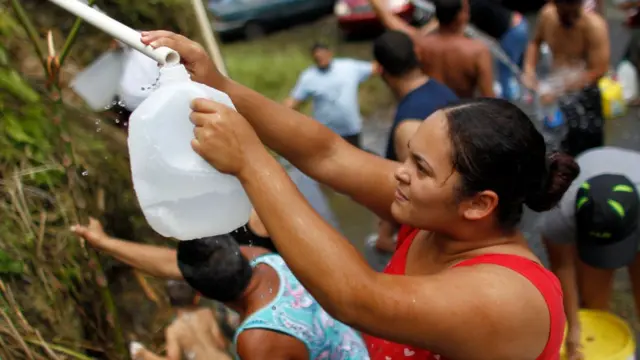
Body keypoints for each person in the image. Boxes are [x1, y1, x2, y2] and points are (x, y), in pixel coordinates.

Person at [140, 31, 581, 359]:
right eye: (407, 158)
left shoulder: (509, 296)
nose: (399, 175)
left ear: (480, 204)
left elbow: (355, 297)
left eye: (420, 168)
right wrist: (223, 87)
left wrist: (252, 162)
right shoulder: (438, 215)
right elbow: (328, 153)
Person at [71, 218, 368, 359]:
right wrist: (105, 243)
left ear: (204, 296)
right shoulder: (264, 259)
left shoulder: (257, 340)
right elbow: (167, 264)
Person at [538, 147, 640, 360]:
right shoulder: (560, 213)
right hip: (588, 179)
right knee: (593, 298)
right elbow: (562, 267)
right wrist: (574, 327)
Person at [370, 30, 458, 255]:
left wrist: (386, 234)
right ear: (416, 54)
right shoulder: (441, 89)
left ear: (380, 70)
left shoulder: (408, 126)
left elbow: (418, 196)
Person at [523, 0, 610, 157]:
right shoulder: (547, 15)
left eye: (574, 12)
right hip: (554, 89)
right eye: (565, 12)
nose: (570, 17)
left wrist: (558, 89)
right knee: (554, 147)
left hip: (583, 96)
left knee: (589, 151)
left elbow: (599, 70)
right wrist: (529, 70)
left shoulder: (594, 26)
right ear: (555, 4)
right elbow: (535, 42)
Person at [368, 0, 494, 98]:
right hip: (461, 115)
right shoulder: (477, 51)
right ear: (461, 16)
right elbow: (489, 97)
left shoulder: (420, 43)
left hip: (430, 114)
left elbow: (389, 19)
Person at [283, 43, 377, 148]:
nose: (321, 59)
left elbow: (375, 68)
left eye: (323, 55)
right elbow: (293, 102)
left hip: (351, 130)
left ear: (329, 53)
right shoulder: (308, 77)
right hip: (326, 134)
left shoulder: (348, 67)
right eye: (317, 58)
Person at [129, 280, 231, 360]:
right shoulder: (206, 313)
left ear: (170, 303)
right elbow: (221, 343)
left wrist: (144, 354)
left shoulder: (174, 330)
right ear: (196, 298)